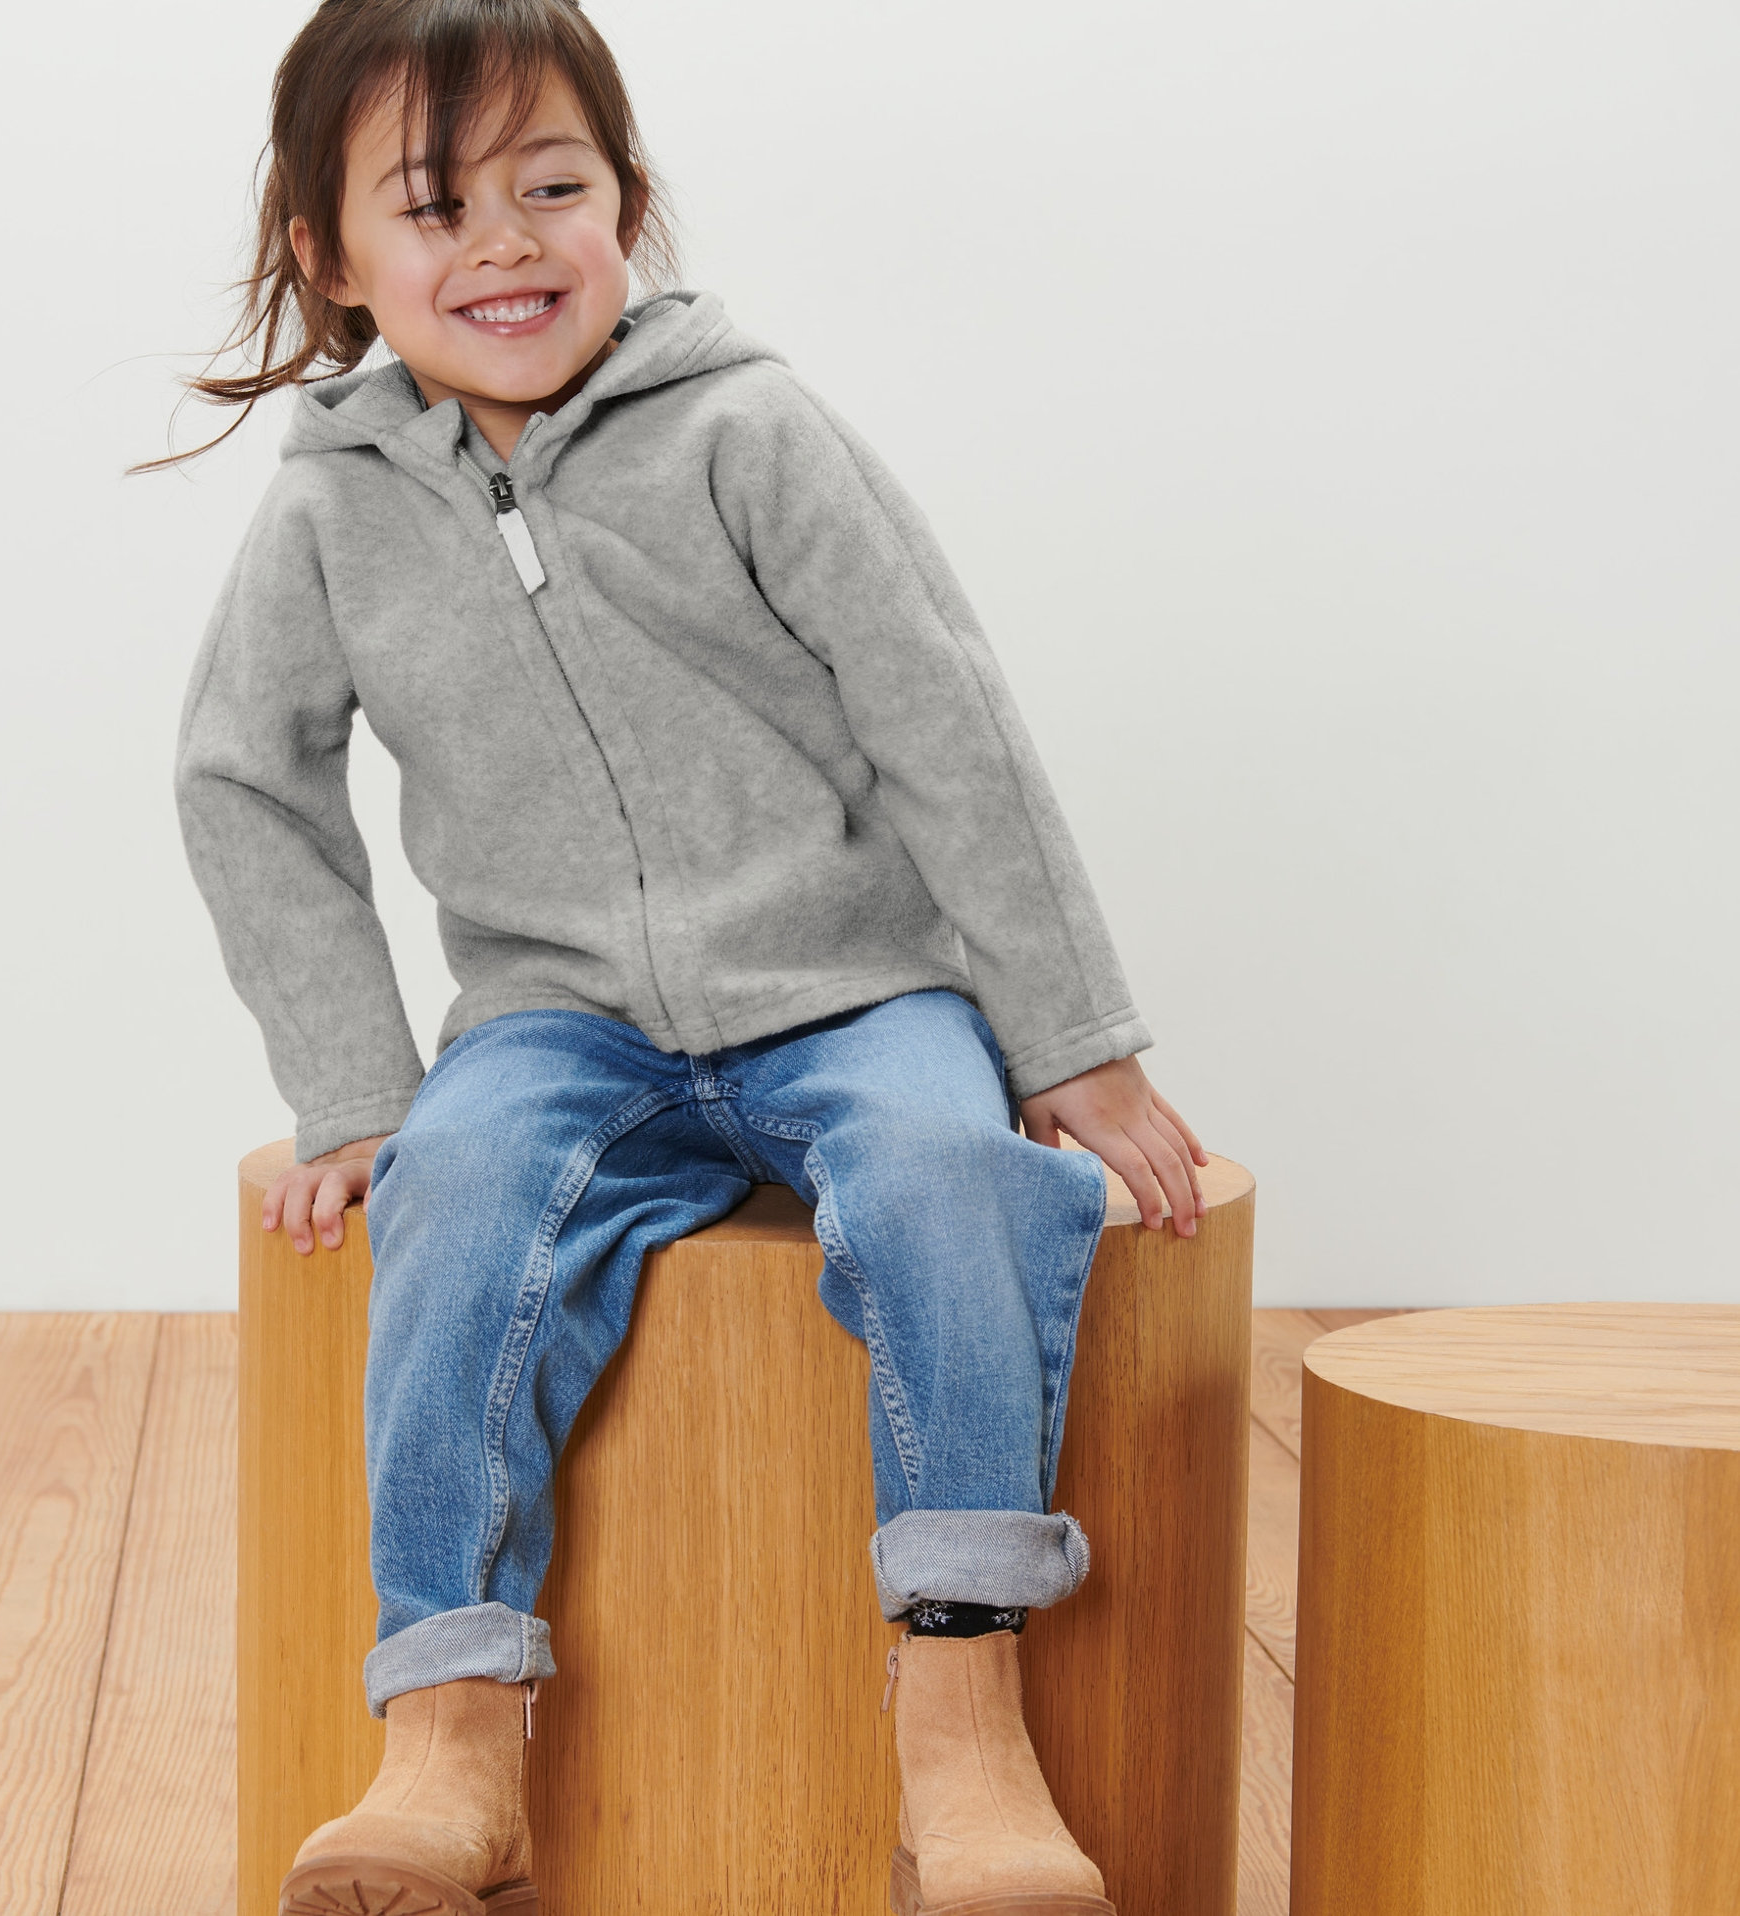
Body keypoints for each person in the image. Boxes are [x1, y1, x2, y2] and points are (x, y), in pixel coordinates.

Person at [163, 3, 1207, 1911]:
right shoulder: (328, 510)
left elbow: (941, 716)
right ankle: (450, 1739)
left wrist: (1066, 1031)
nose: (503, 242)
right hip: (552, 1016)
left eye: (550, 187)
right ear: (332, 254)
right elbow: (245, 779)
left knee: (952, 1172)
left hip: (853, 991)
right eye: (433, 205)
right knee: (458, 1196)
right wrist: (354, 1089)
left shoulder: (747, 428)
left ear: (626, 204)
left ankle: (962, 1730)